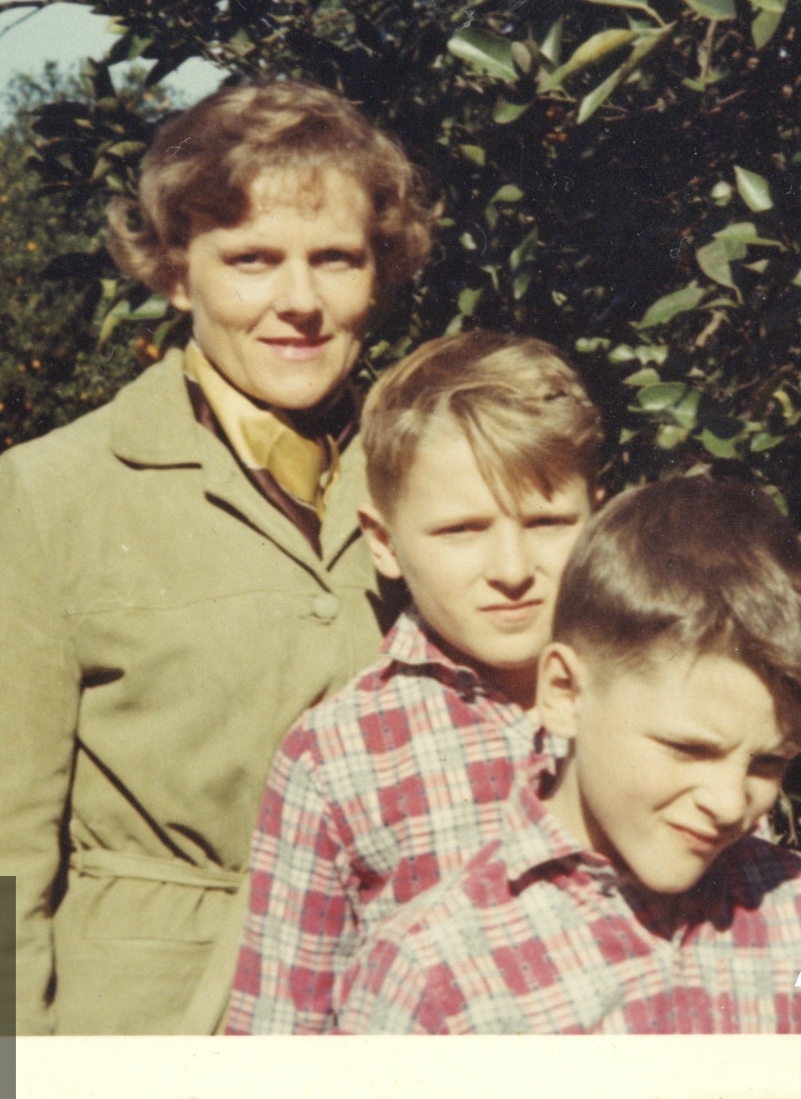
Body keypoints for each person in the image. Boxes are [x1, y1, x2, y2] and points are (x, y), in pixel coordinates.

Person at [0, 78, 437, 1035]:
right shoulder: (54, 491)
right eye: (251, 259)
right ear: (176, 272)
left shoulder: (434, 479)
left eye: (336, 259)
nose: (300, 302)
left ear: (379, 271)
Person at [331, 475, 801, 1034]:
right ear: (565, 694)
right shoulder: (432, 976)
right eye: (689, 750)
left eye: (767, 763)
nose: (727, 804)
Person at [227, 330, 603, 1033]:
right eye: (461, 530)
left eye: (549, 521)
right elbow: (280, 1034)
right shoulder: (337, 756)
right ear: (382, 541)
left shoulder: (658, 704)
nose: (513, 567)